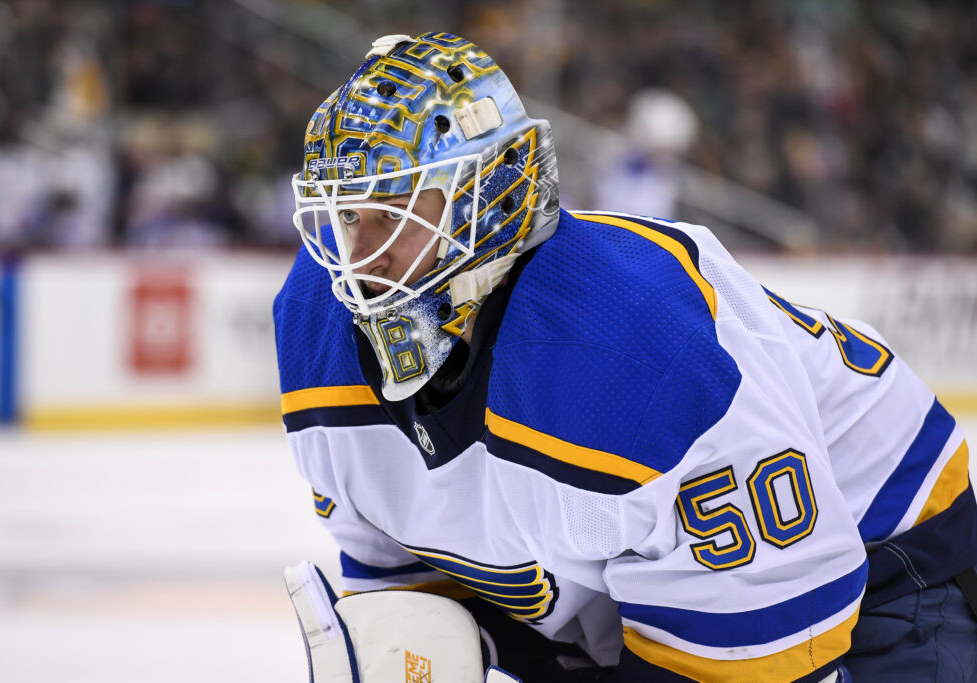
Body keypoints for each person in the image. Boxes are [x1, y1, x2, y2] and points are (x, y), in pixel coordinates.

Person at [274, 32, 977, 682]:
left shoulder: (634, 348)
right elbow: (413, 589)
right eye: (346, 215)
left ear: (484, 199)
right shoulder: (314, 323)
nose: (361, 256)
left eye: (394, 212)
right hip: (644, 587)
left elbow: (768, 637)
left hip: (879, 554)